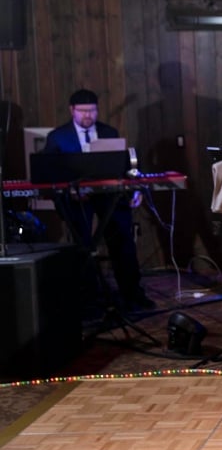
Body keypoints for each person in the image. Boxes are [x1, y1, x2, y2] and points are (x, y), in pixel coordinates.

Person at [43, 89, 154, 312]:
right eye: (83, 111)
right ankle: (88, 298)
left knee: (122, 238)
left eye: (92, 111)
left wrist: (136, 189)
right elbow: (49, 173)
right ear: (71, 111)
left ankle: (132, 294)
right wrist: (69, 191)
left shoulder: (108, 132)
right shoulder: (58, 137)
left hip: (107, 196)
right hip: (75, 198)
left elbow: (123, 168)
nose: (88, 116)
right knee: (82, 243)